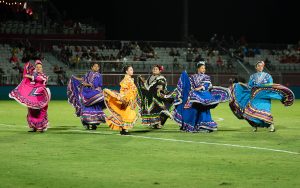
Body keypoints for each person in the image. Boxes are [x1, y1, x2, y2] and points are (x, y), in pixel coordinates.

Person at [229, 60, 295, 132]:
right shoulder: (252, 77)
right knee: (250, 111)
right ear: (256, 67)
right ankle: (255, 126)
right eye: (258, 66)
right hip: (255, 97)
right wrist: (240, 85)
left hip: (264, 96)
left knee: (264, 111)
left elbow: (270, 85)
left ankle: (271, 126)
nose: (260, 67)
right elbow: (250, 86)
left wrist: (262, 88)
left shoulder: (268, 76)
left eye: (261, 66)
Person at [173, 60, 230, 133]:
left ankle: (204, 125)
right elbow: (191, 86)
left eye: (204, 68)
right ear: (198, 68)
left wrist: (199, 88)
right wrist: (184, 77)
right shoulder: (193, 77)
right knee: (194, 110)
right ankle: (194, 125)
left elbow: (206, 85)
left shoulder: (206, 77)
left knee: (204, 109)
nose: (204, 69)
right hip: (195, 96)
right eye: (202, 68)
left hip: (203, 95)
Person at [9, 60, 51, 132]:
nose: (38, 68)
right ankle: (34, 127)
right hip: (33, 95)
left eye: (40, 67)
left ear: (42, 68)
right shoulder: (33, 75)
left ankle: (43, 126)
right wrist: (30, 75)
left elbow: (41, 79)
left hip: (41, 95)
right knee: (31, 110)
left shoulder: (43, 76)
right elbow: (25, 77)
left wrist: (31, 76)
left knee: (41, 110)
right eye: (37, 67)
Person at [67, 62, 106, 130]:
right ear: (91, 67)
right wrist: (75, 78)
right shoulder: (88, 74)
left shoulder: (99, 75)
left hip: (95, 93)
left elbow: (97, 84)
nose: (96, 68)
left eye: (97, 66)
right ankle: (87, 123)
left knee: (94, 106)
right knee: (86, 106)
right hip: (87, 93)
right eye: (95, 66)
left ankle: (93, 124)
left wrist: (87, 84)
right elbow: (83, 80)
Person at [103, 65, 138, 135]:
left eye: (132, 69)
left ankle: (123, 129)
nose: (132, 71)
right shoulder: (126, 80)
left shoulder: (130, 79)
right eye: (130, 70)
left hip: (130, 100)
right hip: (127, 100)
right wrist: (123, 99)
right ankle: (124, 129)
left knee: (125, 114)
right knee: (128, 114)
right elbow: (124, 91)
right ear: (126, 71)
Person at [137, 64, 174, 128]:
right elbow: (147, 86)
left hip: (157, 96)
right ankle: (155, 123)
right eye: (154, 69)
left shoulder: (161, 78)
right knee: (152, 110)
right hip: (150, 97)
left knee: (160, 109)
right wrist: (142, 81)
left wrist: (159, 89)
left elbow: (161, 85)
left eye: (156, 69)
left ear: (160, 71)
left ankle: (160, 122)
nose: (154, 70)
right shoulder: (150, 77)